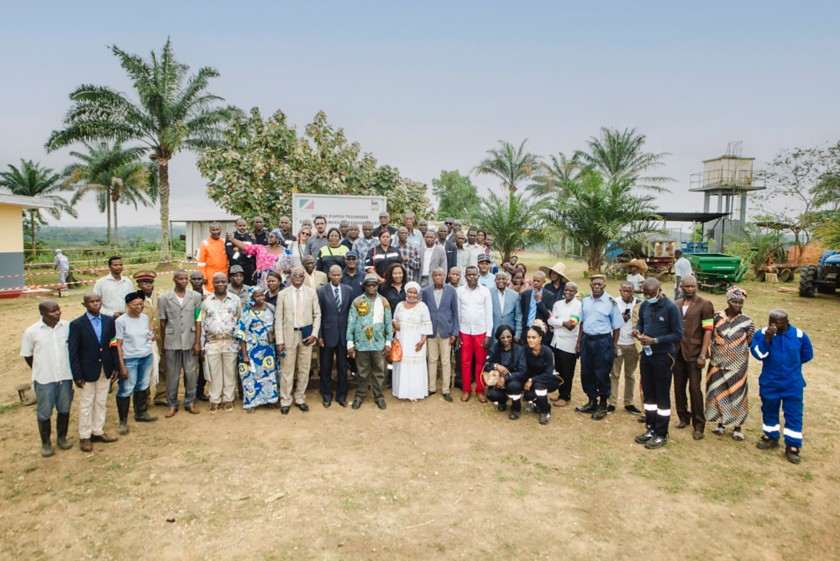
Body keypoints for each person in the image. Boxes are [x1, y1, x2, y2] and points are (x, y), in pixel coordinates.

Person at [752, 308, 814, 464]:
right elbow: (758, 354)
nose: (773, 325)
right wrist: (767, 339)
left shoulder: (799, 335)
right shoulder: (761, 334)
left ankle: (792, 446)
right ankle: (770, 437)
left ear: (786, 322)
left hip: (792, 383)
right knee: (769, 409)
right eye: (770, 321)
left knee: (793, 413)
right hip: (770, 382)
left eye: (777, 322)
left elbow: (807, 355)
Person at [633, 278, 683, 450]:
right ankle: (651, 427)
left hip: (663, 356)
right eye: (645, 294)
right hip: (647, 356)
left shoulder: (671, 307)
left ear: (659, 290)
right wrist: (638, 330)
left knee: (661, 396)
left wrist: (655, 340)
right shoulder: (645, 305)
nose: (648, 297)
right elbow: (641, 322)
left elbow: (678, 334)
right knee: (648, 394)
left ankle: (661, 433)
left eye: (651, 294)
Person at [21, 300, 74, 457]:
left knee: (64, 408)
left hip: (65, 376)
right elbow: (28, 355)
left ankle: (62, 438)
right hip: (44, 379)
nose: (57, 313)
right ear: (42, 313)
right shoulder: (32, 332)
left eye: (58, 310)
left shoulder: (68, 327)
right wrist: (40, 369)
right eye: (52, 311)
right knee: (44, 412)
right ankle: (46, 443)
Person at [69, 294, 119, 452]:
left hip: (105, 367)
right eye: (91, 302)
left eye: (97, 301)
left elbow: (113, 343)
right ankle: (85, 435)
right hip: (87, 371)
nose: (95, 304)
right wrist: (77, 375)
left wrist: (116, 366)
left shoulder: (109, 321)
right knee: (86, 403)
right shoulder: (77, 324)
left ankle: (98, 431)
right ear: (84, 304)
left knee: (101, 401)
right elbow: (73, 352)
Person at [705, 286, 755, 441]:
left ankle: (737, 427)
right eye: (734, 301)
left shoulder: (747, 321)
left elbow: (750, 341)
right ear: (728, 301)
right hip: (717, 363)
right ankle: (720, 423)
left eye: (740, 302)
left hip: (737, 365)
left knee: (737, 394)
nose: (738, 305)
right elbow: (707, 333)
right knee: (718, 392)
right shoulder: (715, 317)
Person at [575, 275, 624, 420]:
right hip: (587, 340)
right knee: (586, 372)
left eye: (599, 285)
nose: (596, 287)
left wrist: (614, 345)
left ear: (604, 286)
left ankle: (603, 404)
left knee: (602, 374)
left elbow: (616, 326)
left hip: (602, 342)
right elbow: (582, 323)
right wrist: (578, 342)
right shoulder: (585, 301)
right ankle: (592, 401)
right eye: (594, 284)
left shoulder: (611, 302)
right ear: (590, 285)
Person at [275, 265, 321, 415]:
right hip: (289, 335)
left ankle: (300, 398)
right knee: (287, 370)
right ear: (290, 277)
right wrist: (279, 341)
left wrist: (314, 333)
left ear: (304, 278)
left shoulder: (311, 293)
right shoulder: (283, 294)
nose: (298, 278)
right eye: (295, 275)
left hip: (306, 335)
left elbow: (317, 315)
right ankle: (285, 400)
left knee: (304, 369)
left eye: (301, 275)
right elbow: (278, 319)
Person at [673, 276, 714, 440]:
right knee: (678, 387)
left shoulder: (705, 304)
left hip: (695, 353)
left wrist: (703, 354)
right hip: (678, 352)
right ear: (681, 287)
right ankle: (683, 416)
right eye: (687, 287)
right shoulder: (676, 305)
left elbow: (708, 330)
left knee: (695, 389)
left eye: (693, 286)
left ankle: (699, 424)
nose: (690, 289)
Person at [158, 270, 202, 418]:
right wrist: (164, 343)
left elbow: (198, 319)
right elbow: (163, 322)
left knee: (191, 373)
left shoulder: (195, 297)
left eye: (185, 278)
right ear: (174, 280)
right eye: (180, 279)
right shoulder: (164, 298)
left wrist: (197, 342)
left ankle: (190, 402)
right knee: (172, 375)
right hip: (172, 342)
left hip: (190, 341)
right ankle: (172, 404)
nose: (183, 281)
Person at [347, 274, 393, 410]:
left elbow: (388, 323)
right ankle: (360, 395)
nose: (372, 287)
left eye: (374, 285)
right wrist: (350, 343)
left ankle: (378, 396)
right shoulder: (357, 301)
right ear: (365, 286)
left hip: (378, 343)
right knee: (362, 372)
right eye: (369, 285)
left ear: (378, 286)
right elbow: (351, 322)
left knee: (379, 372)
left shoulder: (384, 301)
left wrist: (388, 342)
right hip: (361, 343)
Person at [115, 291, 158, 434]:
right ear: (128, 305)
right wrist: (121, 365)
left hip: (145, 357)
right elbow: (118, 344)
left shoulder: (144, 318)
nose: (139, 307)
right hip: (130, 359)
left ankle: (141, 413)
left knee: (142, 385)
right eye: (135, 305)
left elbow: (148, 335)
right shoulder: (121, 321)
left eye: (141, 304)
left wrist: (149, 347)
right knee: (126, 389)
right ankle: (123, 421)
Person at [200, 273, 242, 413]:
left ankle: (228, 399)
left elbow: (239, 319)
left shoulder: (235, 300)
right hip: (212, 343)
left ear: (227, 282)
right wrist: (201, 345)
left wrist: (240, 342)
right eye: (216, 282)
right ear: (212, 283)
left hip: (231, 342)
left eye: (223, 281)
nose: (220, 284)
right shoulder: (205, 301)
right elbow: (200, 321)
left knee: (230, 372)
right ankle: (215, 399)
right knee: (214, 372)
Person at [235, 286, 279, 412]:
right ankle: (252, 403)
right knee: (251, 377)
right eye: (257, 296)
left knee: (269, 376)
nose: (261, 298)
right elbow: (241, 334)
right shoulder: (247, 313)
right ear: (251, 298)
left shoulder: (271, 308)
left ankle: (270, 400)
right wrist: (244, 355)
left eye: (262, 295)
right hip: (252, 349)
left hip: (268, 349)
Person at [317, 265, 353, 408]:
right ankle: (326, 395)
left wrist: (351, 335)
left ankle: (342, 395)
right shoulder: (321, 291)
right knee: (325, 367)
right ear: (329, 275)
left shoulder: (348, 290)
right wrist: (319, 335)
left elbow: (351, 314)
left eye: (339, 275)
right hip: (327, 334)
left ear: (342, 275)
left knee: (342, 367)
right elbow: (318, 314)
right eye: (334, 275)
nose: (336, 277)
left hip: (343, 335)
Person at [422, 267, 459, 402]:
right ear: (432, 276)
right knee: (432, 359)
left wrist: (455, 332)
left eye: (440, 275)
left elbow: (455, 313)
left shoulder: (451, 291)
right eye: (435, 275)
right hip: (431, 330)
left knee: (445, 361)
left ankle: (445, 389)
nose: (438, 277)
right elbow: (424, 311)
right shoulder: (426, 292)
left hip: (446, 331)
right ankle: (431, 388)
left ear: (444, 276)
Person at [391, 281, 433, 401]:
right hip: (402, 339)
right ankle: (401, 392)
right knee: (402, 365)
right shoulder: (400, 305)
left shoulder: (423, 306)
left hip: (416, 341)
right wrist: (394, 323)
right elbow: (395, 318)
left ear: (418, 294)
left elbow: (426, 324)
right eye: (410, 292)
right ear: (406, 292)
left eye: (415, 293)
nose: (412, 295)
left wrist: (422, 341)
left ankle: (415, 393)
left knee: (415, 367)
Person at [457, 266, 493, 402]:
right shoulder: (460, 292)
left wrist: (488, 334)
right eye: (469, 275)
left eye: (474, 274)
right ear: (465, 276)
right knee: (465, 362)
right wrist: (458, 332)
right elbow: (458, 313)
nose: (472, 277)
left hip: (481, 332)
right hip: (465, 331)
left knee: (480, 362)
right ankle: (466, 389)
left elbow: (489, 313)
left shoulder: (485, 292)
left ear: (478, 276)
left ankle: (480, 390)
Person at [607, 282, 642, 415]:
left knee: (630, 375)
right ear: (620, 290)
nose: (626, 293)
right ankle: (612, 402)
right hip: (617, 343)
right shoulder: (614, 303)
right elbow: (607, 321)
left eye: (629, 291)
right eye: (624, 291)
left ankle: (629, 402)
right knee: (614, 374)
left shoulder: (639, 304)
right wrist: (619, 320)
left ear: (634, 291)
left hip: (632, 344)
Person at [547, 282, 581, 408]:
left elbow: (572, 325)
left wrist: (558, 322)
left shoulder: (578, 306)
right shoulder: (557, 304)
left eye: (571, 290)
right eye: (566, 290)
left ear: (576, 292)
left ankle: (565, 396)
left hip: (569, 344)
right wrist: (562, 323)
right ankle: (560, 393)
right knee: (559, 369)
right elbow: (550, 320)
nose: (568, 292)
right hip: (556, 342)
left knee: (568, 371)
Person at [134, 270, 166, 407]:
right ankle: (144, 398)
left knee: (163, 368)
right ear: (139, 284)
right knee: (144, 370)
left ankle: (161, 395)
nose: (147, 285)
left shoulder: (160, 298)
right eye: (144, 282)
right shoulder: (134, 301)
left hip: (160, 339)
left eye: (150, 282)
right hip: (142, 342)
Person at [484, 325, 527, 419]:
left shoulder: (520, 349)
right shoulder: (495, 348)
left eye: (508, 337)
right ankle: (502, 401)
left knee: (513, 386)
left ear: (512, 336)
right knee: (491, 394)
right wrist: (496, 366)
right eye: (502, 337)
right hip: (498, 382)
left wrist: (505, 378)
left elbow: (523, 371)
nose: (506, 339)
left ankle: (516, 407)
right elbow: (486, 365)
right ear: (498, 338)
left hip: (514, 380)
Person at [228, 230, 293, 290]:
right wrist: (232, 240)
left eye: (272, 236)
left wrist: (288, 271)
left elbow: (290, 269)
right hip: (263, 284)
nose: (269, 238)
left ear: (278, 239)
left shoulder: (286, 252)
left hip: (280, 285)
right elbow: (246, 247)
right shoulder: (261, 249)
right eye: (269, 236)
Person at [522, 322, 560, 424]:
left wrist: (532, 380)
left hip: (546, 380)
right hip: (530, 380)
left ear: (540, 338)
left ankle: (545, 410)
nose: (530, 340)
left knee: (539, 387)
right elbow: (522, 369)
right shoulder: (525, 349)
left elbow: (548, 374)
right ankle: (533, 401)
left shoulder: (547, 352)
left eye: (534, 337)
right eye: (528, 337)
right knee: (528, 396)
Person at [189, 270, 211, 401]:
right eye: (194, 279)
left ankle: (200, 390)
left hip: (205, 334)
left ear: (203, 280)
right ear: (190, 280)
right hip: (189, 333)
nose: (196, 281)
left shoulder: (209, 296)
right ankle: (190, 393)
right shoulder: (184, 295)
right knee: (190, 366)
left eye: (199, 279)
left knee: (203, 364)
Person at [519, 271, 555, 343]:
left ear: (544, 281)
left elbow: (547, 315)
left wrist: (538, 301)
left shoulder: (549, 295)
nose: (535, 283)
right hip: (527, 329)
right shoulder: (526, 294)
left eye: (538, 281)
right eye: (534, 280)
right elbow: (522, 312)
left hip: (540, 331)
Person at [490, 271, 522, 339]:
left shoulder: (515, 295)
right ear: (495, 280)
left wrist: (517, 334)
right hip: (493, 333)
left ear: (507, 280)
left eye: (503, 279)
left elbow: (518, 316)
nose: (501, 281)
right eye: (498, 279)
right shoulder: (489, 293)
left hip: (509, 333)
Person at [226, 218, 257, 285]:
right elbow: (229, 252)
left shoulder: (251, 236)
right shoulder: (231, 236)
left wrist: (238, 249)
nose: (242, 227)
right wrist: (246, 250)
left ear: (247, 225)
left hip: (248, 266)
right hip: (235, 265)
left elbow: (253, 250)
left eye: (244, 225)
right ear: (236, 226)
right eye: (240, 226)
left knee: (248, 286)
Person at [197, 223, 228, 289]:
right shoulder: (205, 243)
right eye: (213, 230)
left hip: (224, 272)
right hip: (210, 274)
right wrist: (204, 276)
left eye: (217, 229)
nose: (216, 232)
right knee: (211, 293)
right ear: (210, 231)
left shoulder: (224, 241)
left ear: (220, 230)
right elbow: (201, 263)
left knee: (223, 291)